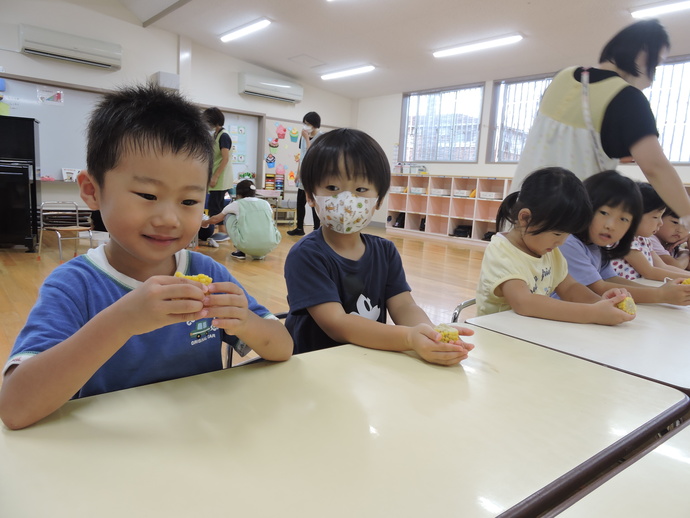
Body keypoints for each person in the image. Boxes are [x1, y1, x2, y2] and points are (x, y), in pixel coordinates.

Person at [0, 84, 292, 430]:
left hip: (200, 443)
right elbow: (16, 408)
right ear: (92, 190)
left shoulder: (207, 273)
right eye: (148, 195)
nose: (169, 219)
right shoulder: (74, 286)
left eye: (188, 202)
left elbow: (283, 347)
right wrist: (122, 321)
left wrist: (245, 322)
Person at [284, 128, 474, 366]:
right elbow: (337, 324)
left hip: (368, 363)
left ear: (379, 200)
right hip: (317, 367)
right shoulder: (306, 255)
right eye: (332, 188)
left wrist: (431, 335)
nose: (347, 200)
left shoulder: (385, 251)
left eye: (360, 190)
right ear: (311, 196)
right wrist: (408, 338)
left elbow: (404, 306)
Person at [510, 19, 690, 227]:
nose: (653, 75)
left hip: (520, 206)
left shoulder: (562, 77)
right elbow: (655, 167)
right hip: (565, 221)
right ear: (642, 54)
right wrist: (687, 213)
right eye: (656, 63)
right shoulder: (627, 97)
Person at [477, 167, 634, 325]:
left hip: (531, 333)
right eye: (558, 234)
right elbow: (524, 303)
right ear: (525, 218)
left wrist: (601, 303)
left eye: (567, 234)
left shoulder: (549, 252)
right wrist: (592, 314)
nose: (562, 242)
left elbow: (570, 288)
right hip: (498, 336)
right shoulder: (503, 253)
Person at [559, 171, 690, 305]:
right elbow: (598, 288)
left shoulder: (597, 245)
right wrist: (660, 295)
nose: (611, 226)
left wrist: (664, 292)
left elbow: (611, 279)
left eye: (623, 219)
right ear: (586, 206)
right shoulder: (569, 243)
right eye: (604, 213)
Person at [611, 183, 690, 281]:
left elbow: (663, 267)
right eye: (656, 217)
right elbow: (649, 272)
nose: (660, 223)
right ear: (635, 215)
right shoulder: (624, 240)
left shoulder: (644, 240)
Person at [204, 179, 281, 260]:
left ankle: (240, 251)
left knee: (229, 215)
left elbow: (216, 219)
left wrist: (204, 222)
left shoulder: (237, 204)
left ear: (238, 194)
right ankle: (259, 253)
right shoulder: (265, 203)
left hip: (246, 245)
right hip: (270, 245)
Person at [287, 111, 322, 237]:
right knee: (300, 202)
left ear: (314, 125)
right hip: (303, 174)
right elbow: (302, 156)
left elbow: (311, 153)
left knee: (313, 203)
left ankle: (317, 229)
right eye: (305, 123)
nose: (305, 126)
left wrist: (307, 138)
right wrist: (298, 173)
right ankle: (299, 227)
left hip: (314, 175)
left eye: (308, 123)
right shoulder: (303, 137)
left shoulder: (321, 137)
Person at [203, 107, 234, 242]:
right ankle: (221, 231)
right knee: (215, 204)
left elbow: (225, 158)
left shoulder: (224, 136)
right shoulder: (215, 135)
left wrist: (215, 176)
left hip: (221, 176)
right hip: (216, 174)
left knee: (217, 205)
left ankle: (222, 232)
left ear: (213, 121)